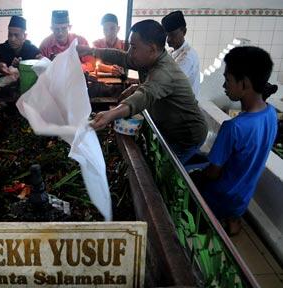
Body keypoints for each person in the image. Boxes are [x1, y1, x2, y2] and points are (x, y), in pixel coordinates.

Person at [78, 20, 207, 165]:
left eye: (133, 47)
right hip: (169, 128)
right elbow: (122, 57)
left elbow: (144, 95)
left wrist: (110, 115)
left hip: (187, 136)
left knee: (166, 172)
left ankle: (198, 162)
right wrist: (91, 51)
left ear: (151, 49)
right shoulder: (147, 58)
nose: (130, 53)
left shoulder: (164, 72)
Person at [196, 46, 278, 235]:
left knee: (192, 178)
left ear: (245, 83)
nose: (224, 86)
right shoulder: (271, 114)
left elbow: (213, 173)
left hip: (220, 197)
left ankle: (210, 224)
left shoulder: (233, 127)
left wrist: (200, 175)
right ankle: (233, 223)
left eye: (228, 80)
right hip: (243, 197)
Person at [162, 11, 200, 97]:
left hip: (185, 108)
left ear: (184, 31)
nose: (168, 40)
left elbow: (169, 83)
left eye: (172, 35)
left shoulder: (187, 56)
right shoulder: (171, 52)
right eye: (166, 35)